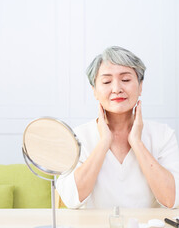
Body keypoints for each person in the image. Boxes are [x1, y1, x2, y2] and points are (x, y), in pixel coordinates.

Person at [56, 46, 179, 209]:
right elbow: (71, 200)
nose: (117, 89)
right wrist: (104, 142)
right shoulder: (78, 136)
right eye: (106, 81)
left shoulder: (163, 135)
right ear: (94, 91)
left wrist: (136, 142)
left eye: (126, 80)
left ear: (140, 86)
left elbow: (172, 199)